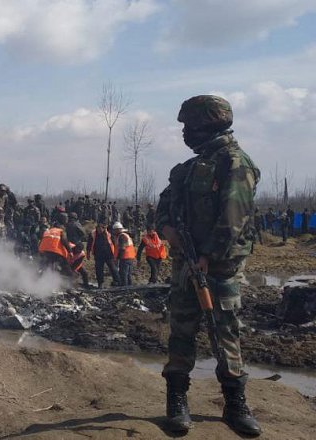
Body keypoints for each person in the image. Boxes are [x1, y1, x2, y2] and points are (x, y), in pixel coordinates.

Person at [156, 95, 261, 435]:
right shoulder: (187, 169)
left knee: (225, 333)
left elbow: (234, 219)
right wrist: (166, 228)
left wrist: (209, 256)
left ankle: (235, 404)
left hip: (218, 268)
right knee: (181, 332)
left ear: (206, 123)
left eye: (189, 126)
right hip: (186, 264)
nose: (185, 132)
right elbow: (164, 205)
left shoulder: (234, 163)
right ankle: (177, 400)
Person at [87, 222, 119, 288]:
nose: (99, 230)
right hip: (98, 255)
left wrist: (116, 254)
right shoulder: (93, 234)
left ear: (104, 228)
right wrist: (88, 253)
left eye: (101, 229)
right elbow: (89, 244)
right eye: (98, 229)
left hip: (108, 254)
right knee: (99, 269)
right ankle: (100, 284)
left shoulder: (109, 234)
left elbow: (115, 244)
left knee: (113, 268)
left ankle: (118, 281)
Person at [113, 222, 136, 286]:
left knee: (123, 274)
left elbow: (122, 248)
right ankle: (130, 287)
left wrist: (118, 257)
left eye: (115, 230)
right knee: (128, 274)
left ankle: (124, 288)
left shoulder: (121, 236)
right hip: (131, 257)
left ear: (118, 229)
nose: (114, 232)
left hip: (125, 257)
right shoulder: (126, 235)